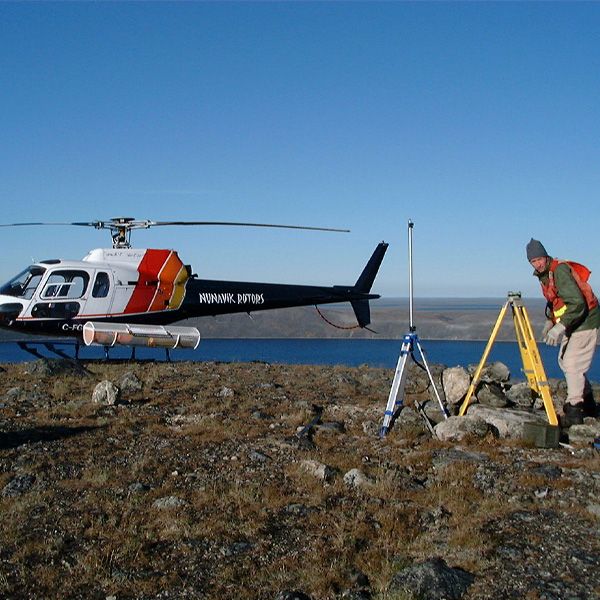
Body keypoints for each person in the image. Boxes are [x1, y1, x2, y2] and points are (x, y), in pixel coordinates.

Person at [526, 238, 600, 426]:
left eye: (539, 259)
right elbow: (556, 300)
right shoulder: (546, 275)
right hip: (574, 322)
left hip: (585, 321)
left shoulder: (559, 271)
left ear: (545, 256)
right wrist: (550, 321)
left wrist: (561, 326)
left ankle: (575, 410)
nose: (537, 263)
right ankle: (589, 402)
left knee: (573, 364)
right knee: (564, 361)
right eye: (533, 261)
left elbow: (577, 303)